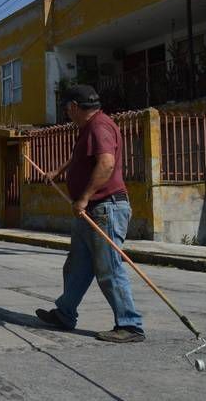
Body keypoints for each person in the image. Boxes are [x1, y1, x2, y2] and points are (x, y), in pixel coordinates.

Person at [35, 84, 144, 343]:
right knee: (77, 267)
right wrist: (58, 172)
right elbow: (81, 158)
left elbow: (106, 163)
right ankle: (64, 314)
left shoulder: (99, 127)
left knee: (109, 268)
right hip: (93, 210)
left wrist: (84, 198)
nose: (66, 114)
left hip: (104, 208)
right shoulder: (89, 129)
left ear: (74, 106)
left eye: (66, 109)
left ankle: (130, 325)